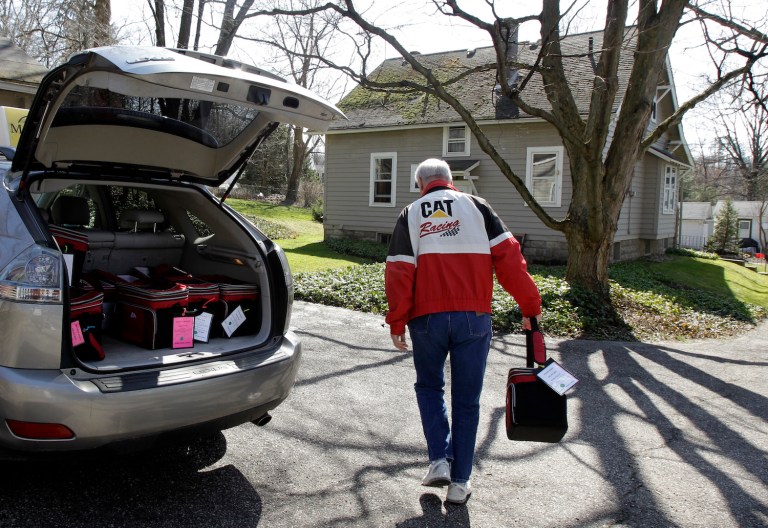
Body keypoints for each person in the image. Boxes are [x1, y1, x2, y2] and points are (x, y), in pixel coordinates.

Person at [385, 158, 542, 505]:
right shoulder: (479, 208)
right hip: (474, 317)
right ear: (450, 179)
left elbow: (399, 271)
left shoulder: (410, 214)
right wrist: (530, 308)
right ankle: (460, 482)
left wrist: (397, 320)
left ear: (419, 183)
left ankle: (439, 459)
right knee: (467, 400)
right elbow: (511, 261)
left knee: (429, 387)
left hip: (426, 319)